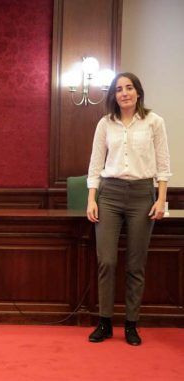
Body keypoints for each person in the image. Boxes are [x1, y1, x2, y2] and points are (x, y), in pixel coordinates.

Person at [86, 72, 171, 346]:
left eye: (129, 88)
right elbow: (95, 164)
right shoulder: (105, 124)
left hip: (142, 196)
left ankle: (132, 324)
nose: (124, 93)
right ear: (113, 95)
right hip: (109, 195)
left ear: (138, 92)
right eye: (119, 89)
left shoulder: (154, 122)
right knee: (107, 261)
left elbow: (163, 164)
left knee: (136, 264)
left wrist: (160, 200)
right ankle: (105, 322)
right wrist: (92, 199)